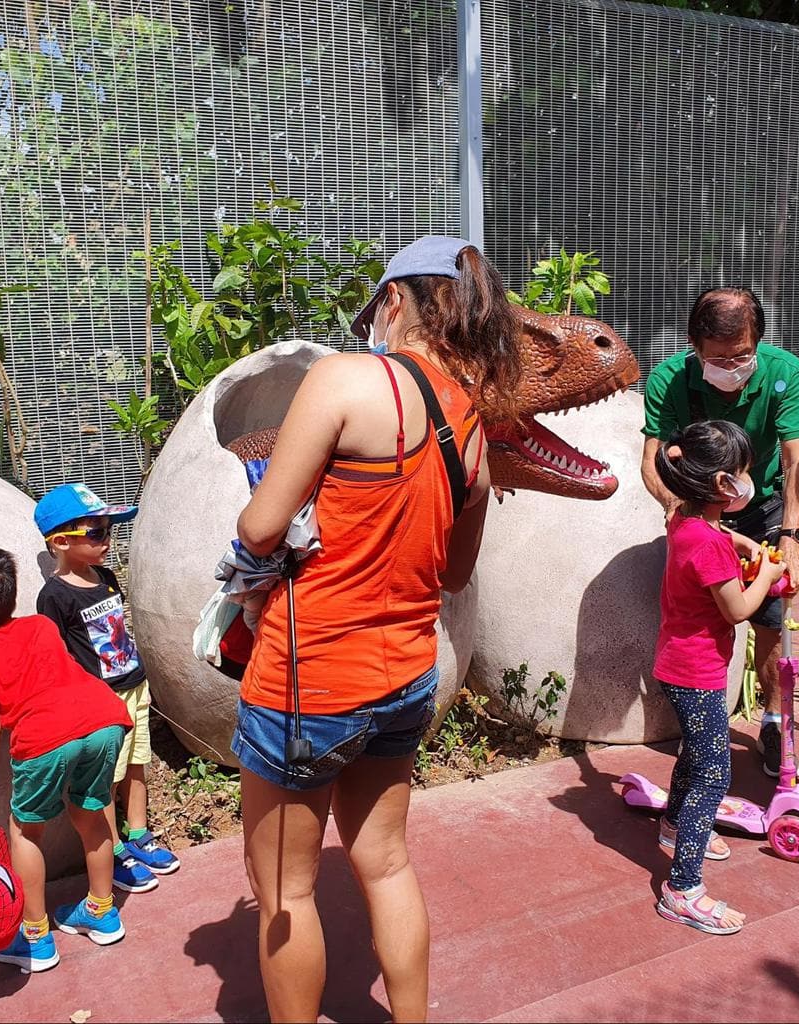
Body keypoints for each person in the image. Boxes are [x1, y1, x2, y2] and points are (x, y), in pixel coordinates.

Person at [230, 235, 521, 1022]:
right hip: (403, 677)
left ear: (395, 301)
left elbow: (260, 528)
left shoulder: (346, 379)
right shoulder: (471, 423)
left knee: (285, 889)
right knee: (386, 864)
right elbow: (453, 573)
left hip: (309, 679)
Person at [641, 287, 799, 777]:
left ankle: (775, 719)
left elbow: (797, 457)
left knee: (772, 616)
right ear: (694, 347)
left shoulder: (784, 373)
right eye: (718, 359)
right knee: (695, 616)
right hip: (696, 507)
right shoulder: (670, 379)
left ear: (758, 341)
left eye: (742, 355)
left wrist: (791, 537)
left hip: (762, 506)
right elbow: (655, 458)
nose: (732, 367)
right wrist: (686, 512)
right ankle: (700, 724)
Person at [0, 546, 134, 973]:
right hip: (104, 722)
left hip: (46, 738)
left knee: (27, 832)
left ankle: (34, 936)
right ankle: (101, 911)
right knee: (90, 812)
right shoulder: (43, 627)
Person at [651, 420, 786, 936]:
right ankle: (682, 889)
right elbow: (737, 610)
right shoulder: (707, 544)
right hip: (698, 672)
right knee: (714, 771)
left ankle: (673, 826)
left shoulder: (684, 518)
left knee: (696, 750)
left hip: (674, 663)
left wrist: (744, 543)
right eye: (742, 473)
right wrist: (768, 575)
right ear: (722, 487)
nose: (748, 480)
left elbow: (712, 534)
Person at [34, 483, 180, 895]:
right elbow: (58, 655)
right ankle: (113, 849)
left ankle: (138, 833)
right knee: (106, 778)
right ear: (61, 541)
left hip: (134, 687)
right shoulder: (54, 597)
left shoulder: (106, 576)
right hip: (102, 701)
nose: (106, 540)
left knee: (137, 764)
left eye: (108, 530)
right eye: (96, 532)